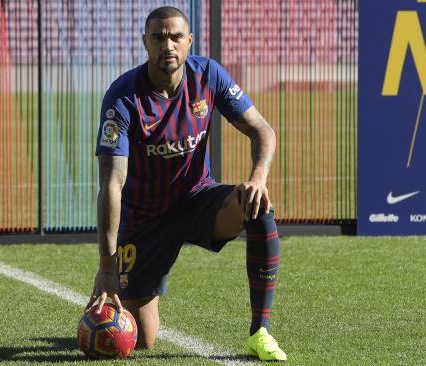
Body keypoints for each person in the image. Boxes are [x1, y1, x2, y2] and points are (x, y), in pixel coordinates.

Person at [85, 6, 286, 361]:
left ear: (189, 40)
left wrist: (258, 178)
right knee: (142, 338)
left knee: (259, 205)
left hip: (197, 199)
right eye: (159, 38)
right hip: (145, 220)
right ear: (145, 42)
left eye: (176, 36)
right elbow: (111, 185)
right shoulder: (123, 98)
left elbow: (263, 131)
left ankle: (260, 331)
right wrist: (106, 266)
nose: (168, 46)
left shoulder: (208, 75)